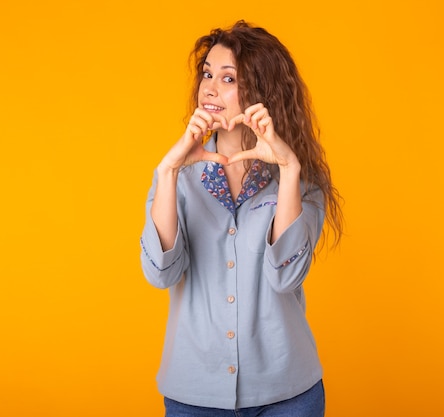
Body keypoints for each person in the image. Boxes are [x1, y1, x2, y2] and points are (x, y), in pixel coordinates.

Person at [139, 20, 343, 417]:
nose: (210, 88)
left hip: (288, 395)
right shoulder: (178, 175)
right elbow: (159, 273)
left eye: (228, 78)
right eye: (207, 74)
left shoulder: (300, 178)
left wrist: (288, 170)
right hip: (194, 396)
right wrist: (166, 173)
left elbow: (286, 276)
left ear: (261, 92)